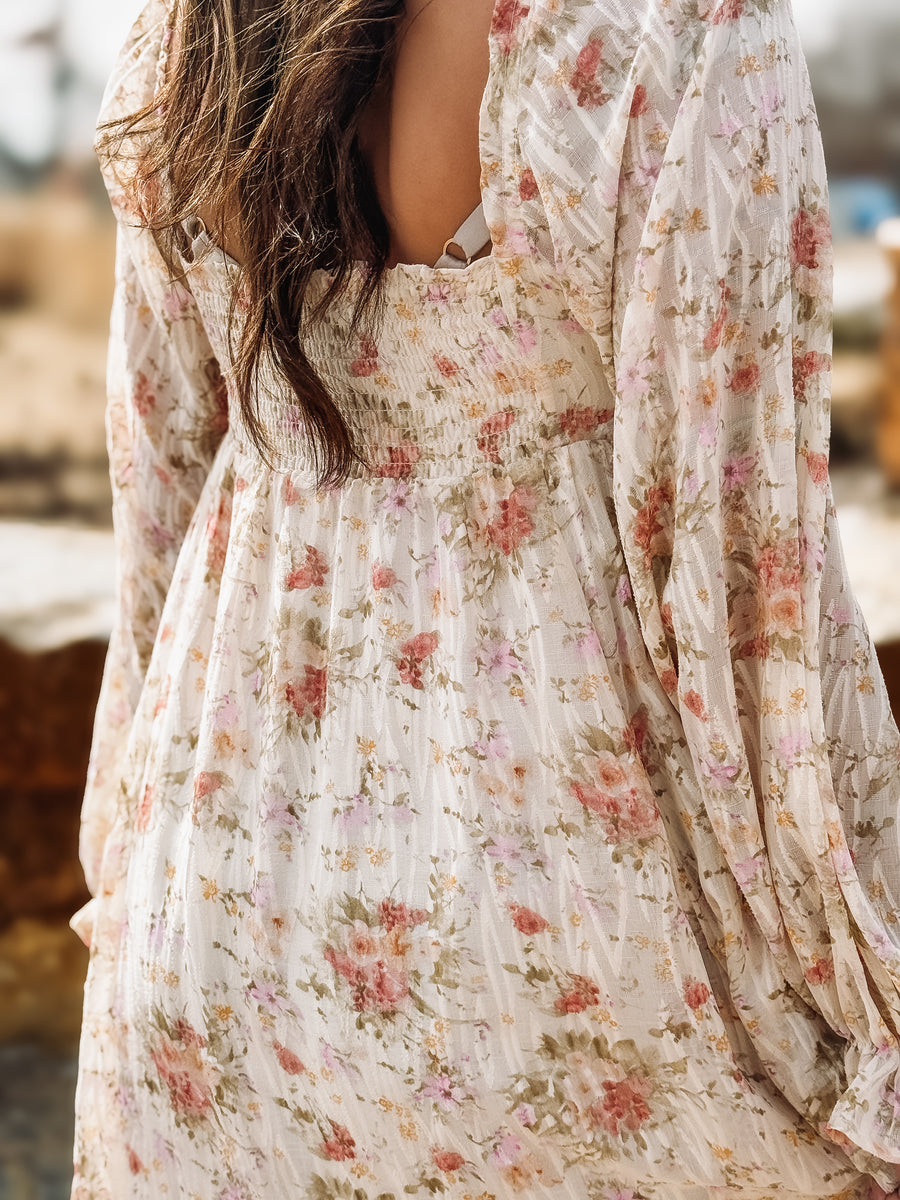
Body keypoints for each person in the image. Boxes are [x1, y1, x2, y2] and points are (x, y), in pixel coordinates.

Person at [70, 0, 900, 1196]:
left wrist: (120, 880)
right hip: (582, 961)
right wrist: (868, 1002)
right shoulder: (677, 27)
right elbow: (742, 591)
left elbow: (156, 490)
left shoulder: (185, 30)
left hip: (212, 933)